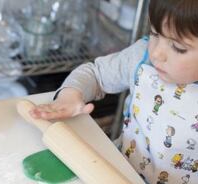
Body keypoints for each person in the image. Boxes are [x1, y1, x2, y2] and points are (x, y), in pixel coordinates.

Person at [29, 0, 198, 183]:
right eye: (155, 33)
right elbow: (96, 73)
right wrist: (70, 95)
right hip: (117, 168)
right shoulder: (142, 58)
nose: (156, 53)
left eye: (178, 48)